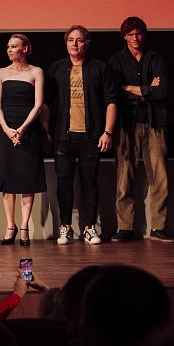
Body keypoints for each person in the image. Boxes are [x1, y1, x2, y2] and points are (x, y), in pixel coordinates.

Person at [46, 25, 118, 245]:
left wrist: (107, 132)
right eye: (71, 40)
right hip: (63, 136)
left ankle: (89, 228)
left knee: (89, 182)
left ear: (87, 44)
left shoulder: (100, 68)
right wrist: (45, 131)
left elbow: (111, 101)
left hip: (91, 135)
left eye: (79, 40)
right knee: (64, 183)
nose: (75, 44)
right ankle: (65, 227)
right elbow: (46, 103)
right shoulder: (56, 68)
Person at [106, 15, 171, 242]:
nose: (135, 38)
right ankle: (125, 227)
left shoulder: (155, 58)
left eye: (139, 34)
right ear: (124, 36)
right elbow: (115, 92)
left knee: (160, 177)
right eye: (131, 34)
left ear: (144, 35)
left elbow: (162, 91)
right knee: (124, 177)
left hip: (155, 123)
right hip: (126, 124)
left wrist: (131, 88)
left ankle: (158, 227)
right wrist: (146, 91)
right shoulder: (116, 61)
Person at [0, 33, 45, 245]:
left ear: (25, 49)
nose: (9, 50)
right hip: (6, 130)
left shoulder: (36, 71)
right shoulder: (1, 72)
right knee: (8, 179)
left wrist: (22, 129)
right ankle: (10, 226)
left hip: (28, 130)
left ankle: (24, 227)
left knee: (27, 178)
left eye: (14, 46)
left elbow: (38, 104)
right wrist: (7, 129)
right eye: (8, 46)